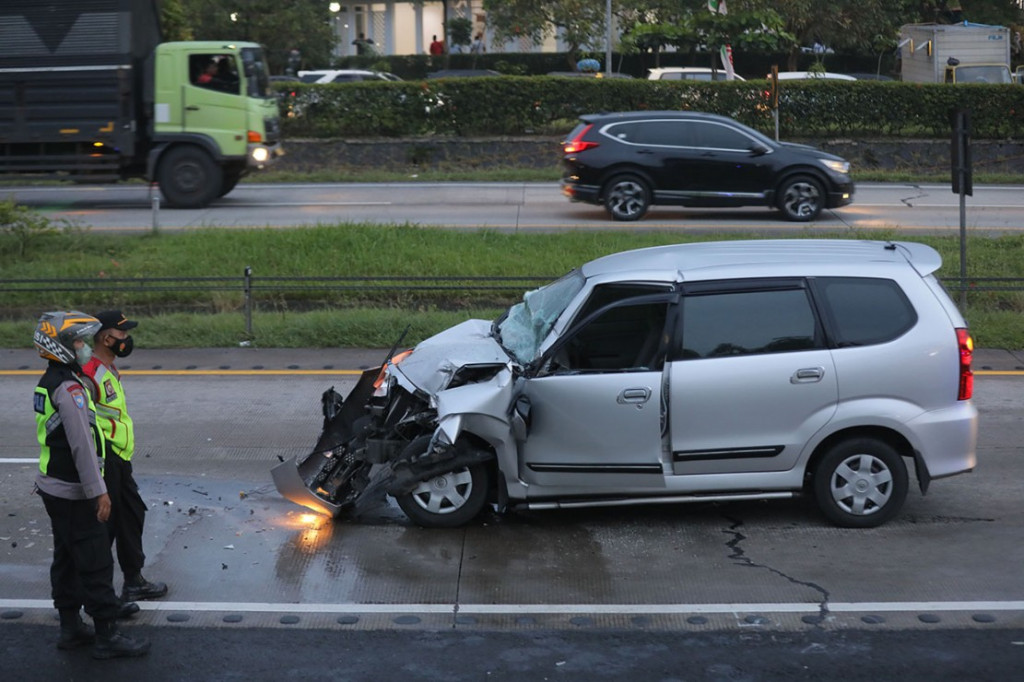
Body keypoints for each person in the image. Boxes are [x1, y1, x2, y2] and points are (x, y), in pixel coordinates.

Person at [32, 311, 150, 659]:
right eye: (80, 342)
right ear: (64, 347)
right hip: (75, 489)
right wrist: (99, 490)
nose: (85, 348)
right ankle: (107, 634)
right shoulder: (70, 389)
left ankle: (70, 627)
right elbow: (82, 445)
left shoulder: (48, 381)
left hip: (53, 485)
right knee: (95, 560)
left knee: (66, 557)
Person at [82, 311, 168, 604]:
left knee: (132, 515)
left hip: (120, 458)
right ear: (106, 338)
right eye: (122, 335)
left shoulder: (108, 368)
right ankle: (99, 594)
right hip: (105, 460)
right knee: (104, 528)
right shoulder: (89, 373)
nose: (127, 340)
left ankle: (134, 581)